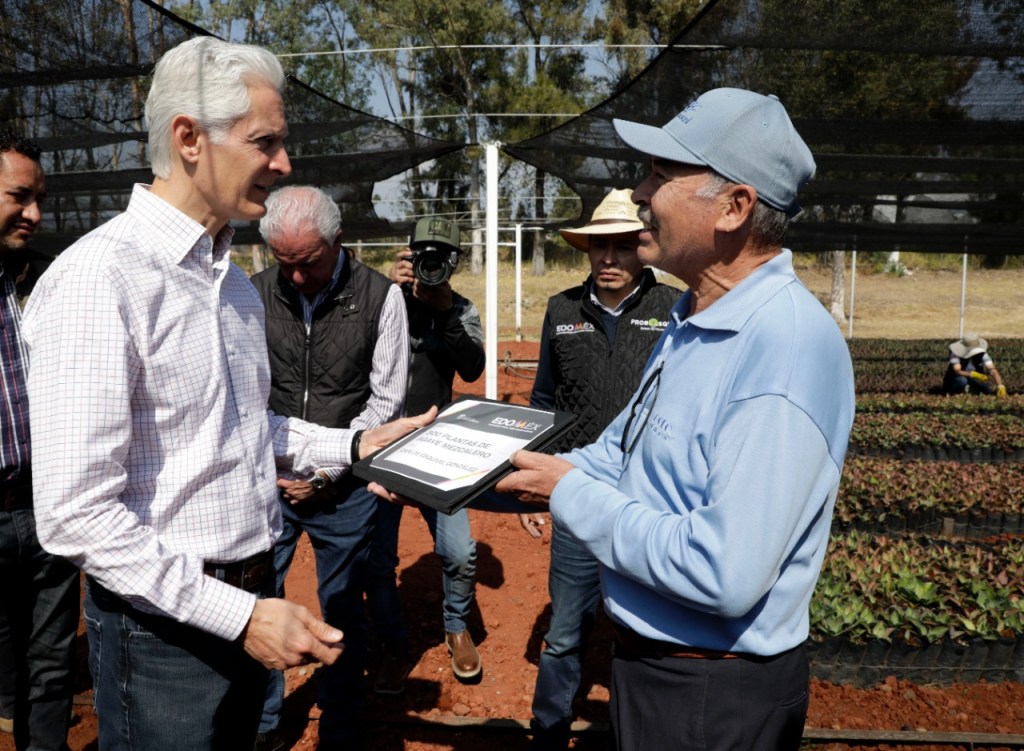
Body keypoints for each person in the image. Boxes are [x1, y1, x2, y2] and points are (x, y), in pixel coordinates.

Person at [21, 37, 431, 751]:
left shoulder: (233, 284)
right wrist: (235, 615)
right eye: (264, 142)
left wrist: (358, 444)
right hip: (163, 631)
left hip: (247, 596)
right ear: (188, 139)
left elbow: (245, 428)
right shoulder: (100, 279)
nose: (284, 163)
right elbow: (74, 513)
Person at [494, 88, 856, 751]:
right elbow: (618, 450)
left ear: (734, 206)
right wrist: (468, 468)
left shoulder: (784, 348)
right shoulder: (692, 317)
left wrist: (566, 492)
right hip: (658, 668)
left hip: (713, 694)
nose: (639, 191)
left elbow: (723, 572)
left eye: (661, 174)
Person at [518, 188, 681, 749]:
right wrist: (538, 484)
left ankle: (642, 732)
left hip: (651, 504)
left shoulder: (676, 311)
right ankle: (548, 731)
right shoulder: (562, 311)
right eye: (597, 248)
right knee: (565, 633)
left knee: (647, 633)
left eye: (621, 246)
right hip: (577, 492)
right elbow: (543, 400)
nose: (608, 259)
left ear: (642, 249)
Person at [250, 185, 409, 749]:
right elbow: (245, 396)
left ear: (338, 241)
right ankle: (264, 725)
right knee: (259, 606)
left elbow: (385, 404)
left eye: (308, 263)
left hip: (344, 490)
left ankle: (340, 723)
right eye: (283, 263)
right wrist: (272, 469)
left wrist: (324, 473)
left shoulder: (382, 297)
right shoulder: (252, 295)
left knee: (342, 608)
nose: (294, 278)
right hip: (268, 482)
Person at [366, 217, 486, 696]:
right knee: (376, 561)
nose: (430, 264)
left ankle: (456, 626)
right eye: (423, 254)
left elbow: (473, 369)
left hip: (438, 448)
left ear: (455, 262)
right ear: (409, 255)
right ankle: (392, 644)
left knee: (460, 552)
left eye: (441, 256)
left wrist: (444, 312)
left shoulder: (461, 308)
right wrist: (390, 292)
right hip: (382, 444)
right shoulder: (380, 299)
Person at [0, 129, 79, 751]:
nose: (35, 214)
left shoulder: (39, 282)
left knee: (52, 663)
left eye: (40, 199)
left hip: (47, 503)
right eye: (19, 196)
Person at [943, 333, 1007, 396]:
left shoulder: (982, 354)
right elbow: (957, 371)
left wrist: (1000, 385)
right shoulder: (956, 354)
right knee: (962, 381)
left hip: (975, 377)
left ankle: (971, 390)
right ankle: (953, 392)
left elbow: (992, 369)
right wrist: (972, 374)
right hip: (957, 378)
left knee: (986, 389)